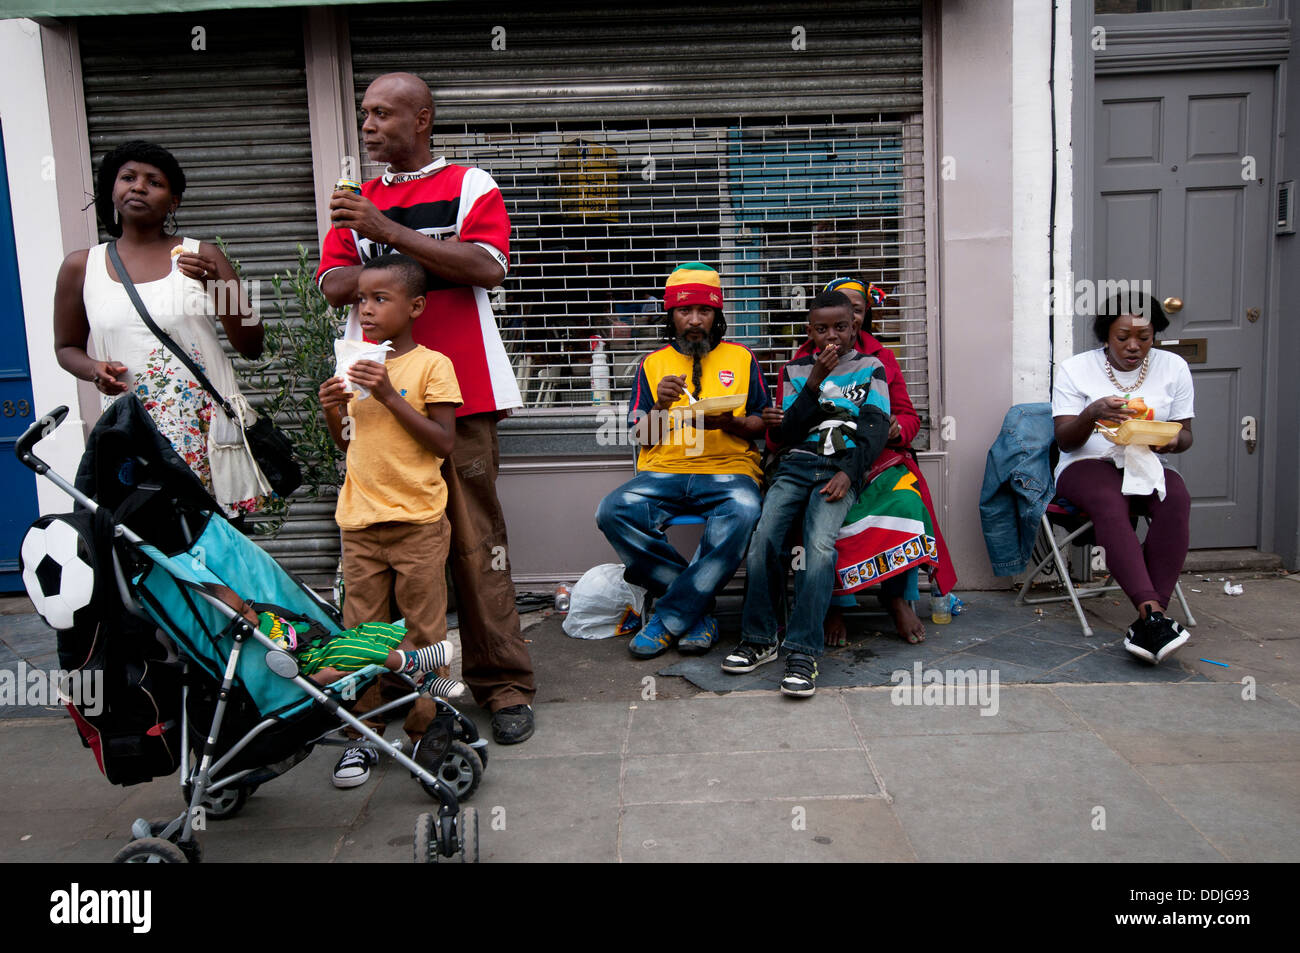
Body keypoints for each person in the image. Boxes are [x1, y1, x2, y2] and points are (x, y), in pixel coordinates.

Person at [315, 72, 537, 747]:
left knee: (476, 545)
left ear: (424, 118)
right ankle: (387, 699)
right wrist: (416, 261)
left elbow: (488, 266)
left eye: (384, 113)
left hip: (460, 393)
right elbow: (332, 283)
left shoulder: (470, 184)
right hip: (373, 392)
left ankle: (503, 683)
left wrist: (385, 236)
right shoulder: (357, 198)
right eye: (364, 114)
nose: (370, 125)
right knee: (381, 553)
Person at [53, 140, 269, 518]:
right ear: (112, 190)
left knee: (217, 550)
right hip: (133, 435)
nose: (139, 187)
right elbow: (66, 347)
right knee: (145, 546)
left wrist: (219, 283)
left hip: (205, 433)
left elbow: (252, 344)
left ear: (174, 202)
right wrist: (93, 370)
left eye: (154, 182)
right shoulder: (80, 266)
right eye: (128, 178)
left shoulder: (202, 256)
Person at [317, 254, 462, 787]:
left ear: (415, 306)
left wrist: (385, 393)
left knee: (425, 632)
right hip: (359, 522)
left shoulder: (431, 365)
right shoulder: (350, 362)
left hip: (418, 520)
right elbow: (349, 444)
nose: (367, 309)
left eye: (380, 299)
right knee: (361, 634)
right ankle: (364, 736)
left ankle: (428, 728)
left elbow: (443, 442)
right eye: (361, 299)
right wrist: (334, 408)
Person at [596, 262, 770, 658]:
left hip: (729, 470)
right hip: (664, 472)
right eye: (684, 311)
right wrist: (659, 404)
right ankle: (696, 609)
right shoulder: (651, 364)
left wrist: (735, 422)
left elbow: (764, 424)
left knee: (744, 510)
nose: (694, 320)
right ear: (671, 316)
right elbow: (640, 434)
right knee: (613, 511)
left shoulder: (742, 358)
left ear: (717, 315)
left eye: (704, 311)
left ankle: (671, 615)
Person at [723, 290, 891, 696]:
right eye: (822, 329)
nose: (832, 336)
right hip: (795, 466)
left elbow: (876, 428)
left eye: (841, 327)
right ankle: (761, 639)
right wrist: (813, 383)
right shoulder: (795, 370)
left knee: (818, 546)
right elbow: (784, 434)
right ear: (809, 331)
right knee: (763, 538)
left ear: (856, 327)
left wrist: (850, 474)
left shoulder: (872, 368)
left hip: (840, 468)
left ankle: (803, 652)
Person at [802, 277, 957, 646]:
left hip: (879, 458)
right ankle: (836, 603)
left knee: (905, 502)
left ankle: (897, 598)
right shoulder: (805, 359)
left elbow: (906, 415)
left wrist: (893, 428)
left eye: (856, 311)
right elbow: (794, 418)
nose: (848, 322)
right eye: (842, 314)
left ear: (861, 317)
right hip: (825, 456)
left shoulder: (881, 358)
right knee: (826, 508)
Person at [1052, 290, 1194, 664]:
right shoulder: (1075, 368)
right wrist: (1092, 413)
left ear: (1154, 335)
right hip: (1085, 466)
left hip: (1145, 462)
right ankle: (1151, 613)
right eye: (1123, 338)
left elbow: (1186, 434)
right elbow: (1065, 441)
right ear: (1105, 335)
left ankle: (1152, 619)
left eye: (1143, 338)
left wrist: (1172, 440)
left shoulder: (1174, 368)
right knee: (1109, 500)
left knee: (1175, 497)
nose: (1133, 346)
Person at [207, 583, 463, 697]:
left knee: (377, 630)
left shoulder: (264, 613)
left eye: (245, 608)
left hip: (325, 643)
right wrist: (318, 679)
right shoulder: (253, 649)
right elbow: (279, 683)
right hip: (313, 663)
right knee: (353, 649)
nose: (249, 617)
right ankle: (409, 663)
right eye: (239, 616)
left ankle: (425, 679)